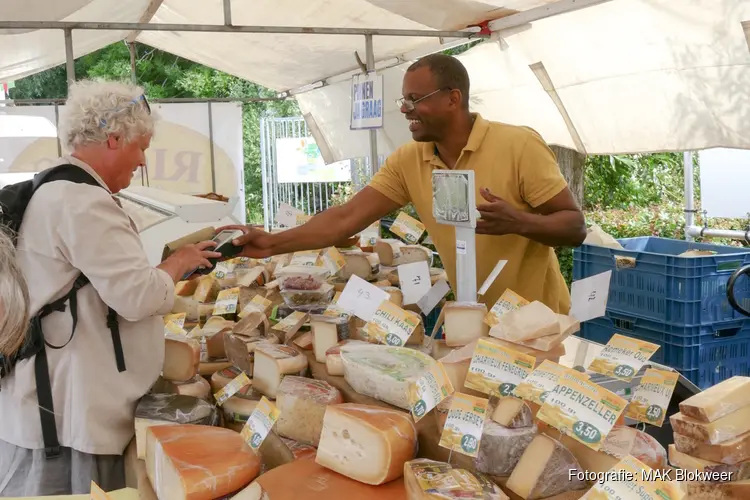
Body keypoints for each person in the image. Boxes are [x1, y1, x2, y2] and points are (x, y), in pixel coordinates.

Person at [225, 54, 586, 312]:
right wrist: (271, 243)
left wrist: (520, 222)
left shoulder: (518, 144)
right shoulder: (408, 160)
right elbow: (344, 220)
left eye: (416, 99)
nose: (404, 108)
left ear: (453, 99)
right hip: (472, 318)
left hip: (537, 321)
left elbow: (574, 227)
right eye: (404, 99)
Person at [0, 80, 221, 495]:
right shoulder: (83, 201)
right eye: (141, 146)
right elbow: (137, 297)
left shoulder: (54, 188)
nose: (142, 159)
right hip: (68, 411)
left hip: (54, 398)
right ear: (115, 137)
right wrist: (177, 262)